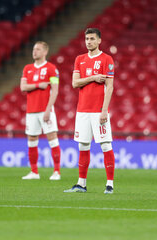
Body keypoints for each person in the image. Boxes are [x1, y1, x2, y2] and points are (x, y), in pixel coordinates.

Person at [64, 28, 115, 194]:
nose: (89, 42)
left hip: (98, 110)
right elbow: (74, 83)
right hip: (82, 110)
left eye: (92, 39)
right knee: (83, 145)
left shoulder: (107, 59)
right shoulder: (80, 59)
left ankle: (109, 184)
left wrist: (104, 110)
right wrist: (93, 78)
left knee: (106, 145)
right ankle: (81, 184)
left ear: (99, 40)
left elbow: (109, 86)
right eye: (87, 39)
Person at [20, 41, 61, 180]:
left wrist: (48, 109)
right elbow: (23, 87)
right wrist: (39, 85)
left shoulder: (51, 68)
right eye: (33, 49)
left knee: (52, 138)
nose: (34, 52)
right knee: (31, 139)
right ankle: (34, 172)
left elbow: (55, 91)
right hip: (31, 111)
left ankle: (56, 171)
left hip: (45, 110)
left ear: (45, 52)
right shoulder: (27, 68)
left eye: (37, 49)